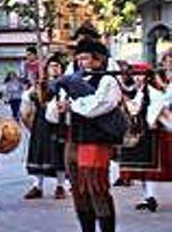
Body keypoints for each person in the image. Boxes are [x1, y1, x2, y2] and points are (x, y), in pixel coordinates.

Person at [49, 38, 121, 232]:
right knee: (78, 191)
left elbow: (97, 106)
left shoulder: (107, 80)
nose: (81, 63)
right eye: (79, 59)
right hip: (73, 140)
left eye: (86, 58)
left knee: (96, 189)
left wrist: (71, 105)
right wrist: (57, 106)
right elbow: (53, 115)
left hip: (95, 142)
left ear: (98, 59)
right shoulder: (72, 80)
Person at [117, 62, 172, 212]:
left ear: (147, 77)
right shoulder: (141, 91)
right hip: (146, 133)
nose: (137, 78)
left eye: (140, 75)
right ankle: (149, 197)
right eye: (135, 75)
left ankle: (150, 197)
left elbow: (153, 111)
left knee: (150, 168)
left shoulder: (153, 92)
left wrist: (145, 120)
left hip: (153, 134)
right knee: (145, 167)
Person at [21, 53, 68, 200]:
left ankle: (61, 186)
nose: (54, 69)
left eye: (57, 66)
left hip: (57, 123)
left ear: (62, 69)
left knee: (58, 154)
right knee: (38, 153)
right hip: (40, 122)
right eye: (51, 66)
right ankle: (37, 186)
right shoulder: (41, 83)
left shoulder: (65, 84)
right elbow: (27, 98)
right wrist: (35, 91)